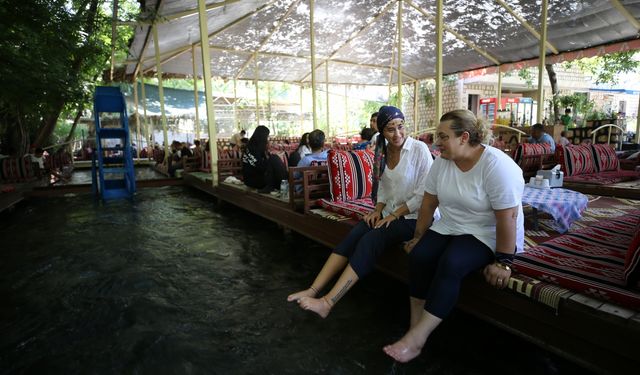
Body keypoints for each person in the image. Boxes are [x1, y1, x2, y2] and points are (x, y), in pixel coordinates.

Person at [383, 109, 524, 363]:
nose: (437, 142)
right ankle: (416, 325)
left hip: (486, 232)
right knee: (420, 255)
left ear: (464, 137)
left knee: (452, 262)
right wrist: (418, 237)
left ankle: (417, 339)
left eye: (442, 136)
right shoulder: (442, 162)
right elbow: (428, 204)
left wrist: (504, 261)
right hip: (450, 225)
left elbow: (508, 217)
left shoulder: (497, 165)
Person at [287, 105, 437, 318]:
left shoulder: (418, 150)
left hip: (416, 217)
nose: (397, 134)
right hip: (391, 212)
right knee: (357, 232)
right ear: (382, 131)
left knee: (371, 240)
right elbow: (384, 187)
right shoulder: (382, 151)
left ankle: (328, 302)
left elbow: (424, 195)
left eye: (401, 127)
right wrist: (378, 209)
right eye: (390, 129)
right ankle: (313, 289)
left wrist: (393, 215)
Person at [242, 125, 287, 193]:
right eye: (267, 136)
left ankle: (285, 183)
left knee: (274, 158)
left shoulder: (255, 147)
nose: (267, 139)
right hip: (253, 180)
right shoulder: (251, 149)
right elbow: (262, 167)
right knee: (274, 158)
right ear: (262, 136)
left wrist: (267, 152)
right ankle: (286, 183)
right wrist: (270, 158)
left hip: (258, 177)